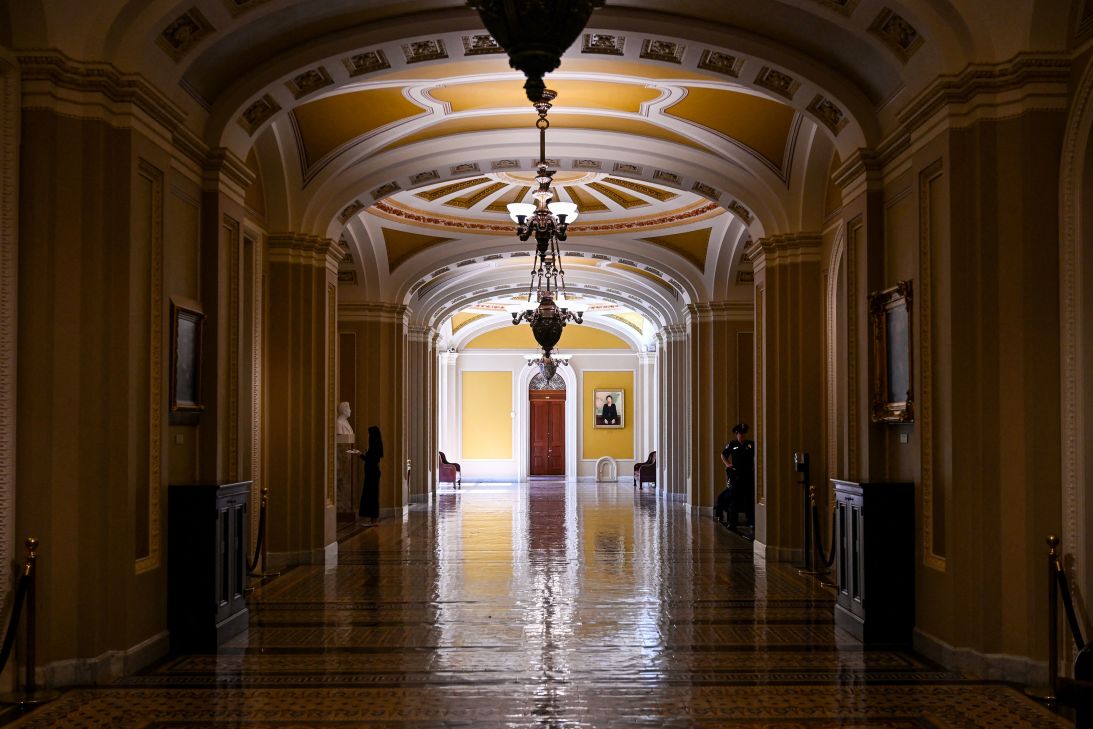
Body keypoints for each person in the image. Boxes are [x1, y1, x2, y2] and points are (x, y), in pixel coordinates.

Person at [716, 423, 755, 530]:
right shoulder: (732, 444)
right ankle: (732, 522)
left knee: (749, 499)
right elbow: (723, 455)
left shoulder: (750, 444)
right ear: (736, 434)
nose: (742, 435)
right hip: (736, 475)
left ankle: (751, 522)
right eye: (740, 433)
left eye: (743, 433)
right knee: (734, 499)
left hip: (748, 475)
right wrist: (728, 465)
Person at [358, 426, 383, 526]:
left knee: (371, 496)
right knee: (371, 495)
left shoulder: (374, 447)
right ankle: (372, 519)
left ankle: (373, 520)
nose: (368, 436)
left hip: (372, 473)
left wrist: (360, 454)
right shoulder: (375, 446)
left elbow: (371, 460)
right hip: (372, 473)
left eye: (369, 434)